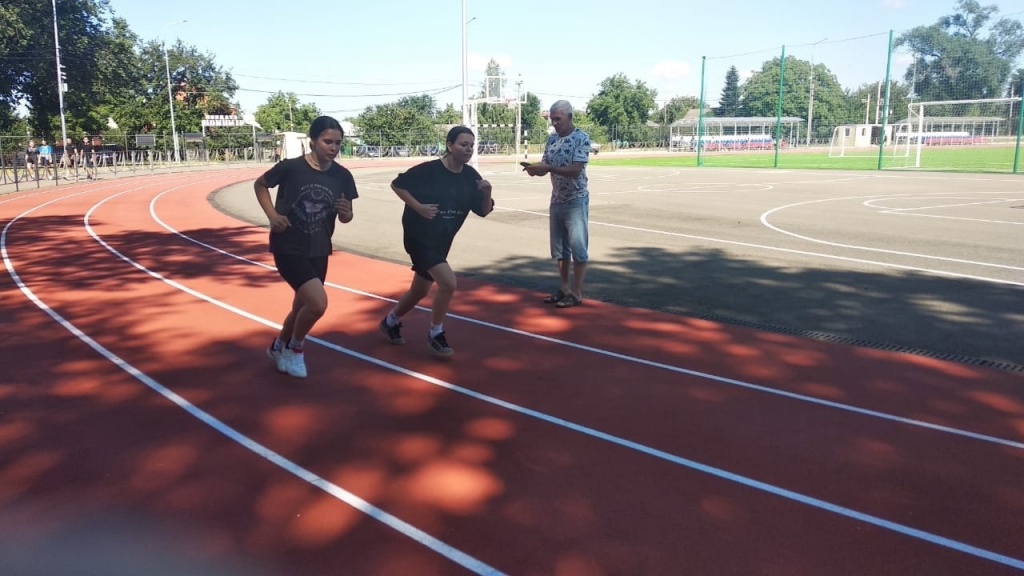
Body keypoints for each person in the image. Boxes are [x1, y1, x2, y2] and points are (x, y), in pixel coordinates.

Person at [254, 116, 358, 379]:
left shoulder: (343, 176)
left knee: (302, 306)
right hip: (288, 245)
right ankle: (295, 348)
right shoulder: (291, 168)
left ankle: (278, 346)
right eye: (327, 142)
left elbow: (347, 217)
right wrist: (272, 215)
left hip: (320, 247)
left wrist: (346, 213)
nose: (333, 148)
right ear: (312, 141)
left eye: (337, 143)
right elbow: (260, 184)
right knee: (318, 304)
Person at [379, 125, 494, 359]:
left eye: (472, 145)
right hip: (419, 235)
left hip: (442, 239)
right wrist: (419, 207)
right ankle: (435, 334)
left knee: (419, 291)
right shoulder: (429, 171)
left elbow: (483, 211)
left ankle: (390, 322)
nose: (469, 149)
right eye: (463, 144)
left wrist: (487, 192)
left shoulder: (471, 176)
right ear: (450, 146)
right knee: (448, 283)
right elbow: (397, 184)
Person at [523, 100, 591, 308]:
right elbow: (546, 166)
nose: (554, 123)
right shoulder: (552, 139)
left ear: (570, 117)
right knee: (559, 249)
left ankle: (577, 292)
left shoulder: (581, 138)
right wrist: (535, 169)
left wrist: (549, 168)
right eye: (552, 119)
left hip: (576, 199)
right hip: (557, 199)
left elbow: (576, 170)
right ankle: (564, 288)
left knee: (578, 247)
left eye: (558, 119)